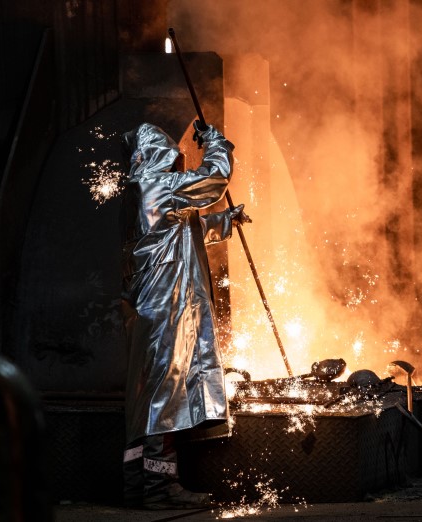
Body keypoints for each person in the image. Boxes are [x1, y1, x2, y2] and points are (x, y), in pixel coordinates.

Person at [118, 121, 250, 510]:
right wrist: (215, 143)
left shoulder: (143, 192)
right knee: (164, 397)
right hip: (167, 306)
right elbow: (214, 179)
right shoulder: (158, 184)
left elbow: (181, 228)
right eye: (173, 158)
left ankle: (135, 484)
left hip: (154, 308)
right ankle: (161, 489)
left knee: (148, 398)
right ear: (159, 157)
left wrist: (226, 222)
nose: (178, 165)